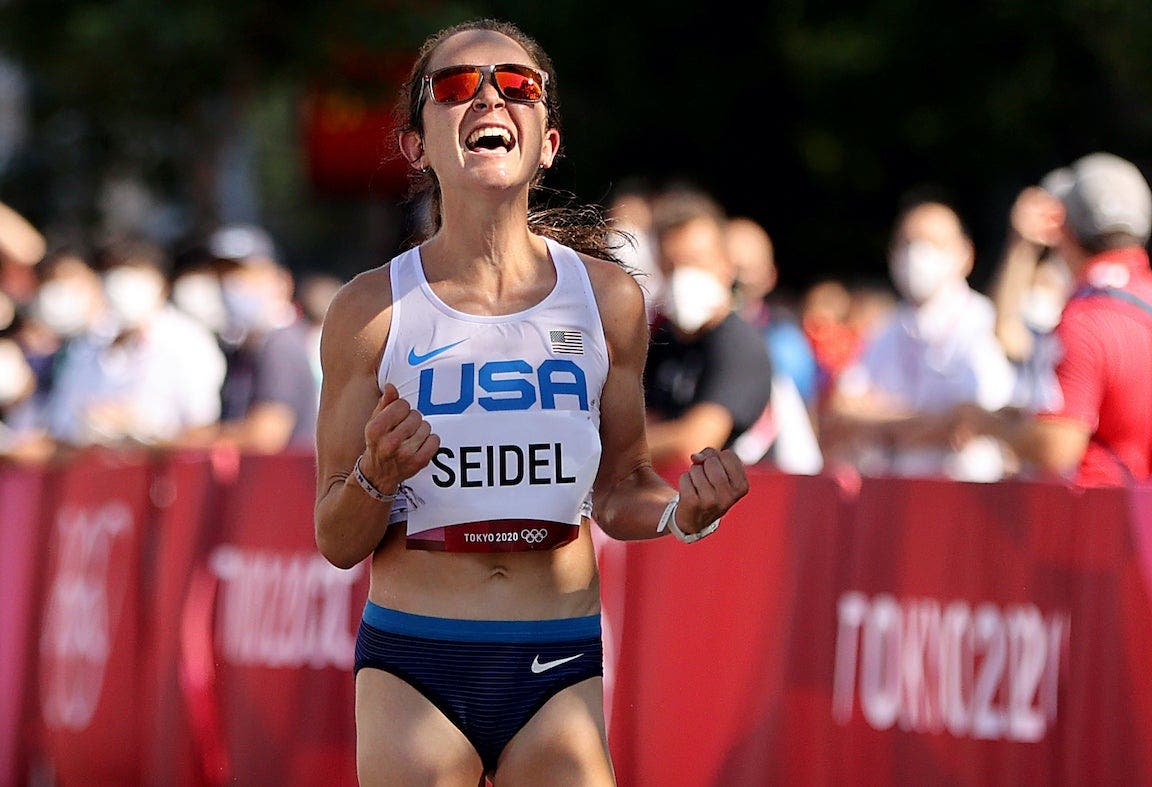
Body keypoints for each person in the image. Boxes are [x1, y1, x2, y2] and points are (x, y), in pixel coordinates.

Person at [312, 19, 749, 786]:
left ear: (547, 141)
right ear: (417, 145)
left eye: (517, 85)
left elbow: (620, 487)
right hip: (416, 662)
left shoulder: (608, 299)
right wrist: (378, 474)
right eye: (455, 86)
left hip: (559, 660)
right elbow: (336, 537)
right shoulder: (370, 310)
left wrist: (683, 514)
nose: (488, 96)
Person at [955, 152, 1152, 486]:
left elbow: (1055, 447)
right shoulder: (1136, 300)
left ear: (1066, 230)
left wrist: (990, 426)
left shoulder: (1087, 319)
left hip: (1103, 519)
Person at [822, 196, 1016, 482]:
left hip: (962, 495)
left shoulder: (982, 322)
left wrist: (881, 419)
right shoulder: (887, 328)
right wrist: (925, 423)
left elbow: (975, 422)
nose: (916, 255)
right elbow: (841, 411)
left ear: (965, 253)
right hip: (892, 494)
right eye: (906, 243)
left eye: (932, 243)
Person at [42, 236, 226, 448]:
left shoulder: (190, 342)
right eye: (114, 276)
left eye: (132, 277)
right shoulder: (88, 344)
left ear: (160, 284)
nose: (121, 289)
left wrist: (143, 429)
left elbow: (202, 430)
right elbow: (61, 426)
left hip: (166, 475)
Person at [642, 185, 774, 468]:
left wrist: (617, 446)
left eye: (695, 262)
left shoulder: (739, 345)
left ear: (725, 264)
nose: (682, 277)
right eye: (671, 266)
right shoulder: (660, 339)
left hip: (746, 506)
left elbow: (695, 443)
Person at [207, 223, 319, 453]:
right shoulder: (241, 347)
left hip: (284, 484)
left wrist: (184, 439)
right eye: (223, 275)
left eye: (244, 274)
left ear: (281, 280)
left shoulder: (281, 345)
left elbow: (267, 435)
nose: (232, 284)